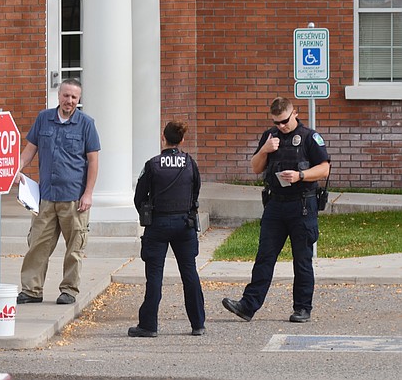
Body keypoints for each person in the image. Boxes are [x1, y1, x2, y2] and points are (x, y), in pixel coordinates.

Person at [222, 96, 330, 323]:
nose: (280, 126)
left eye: (284, 121)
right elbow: (255, 168)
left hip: (302, 204)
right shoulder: (270, 137)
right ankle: (248, 306)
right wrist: (264, 150)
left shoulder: (311, 138)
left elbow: (324, 169)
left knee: (302, 259)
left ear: (295, 113)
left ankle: (302, 308)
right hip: (275, 205)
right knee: (264, 256)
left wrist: (300, 175)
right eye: (276, 122)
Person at [15, 78, 100, 305]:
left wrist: (88, 193)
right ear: (59, 95)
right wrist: (15, 170)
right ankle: (31, 290)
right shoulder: (44, 119)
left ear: (78, 99)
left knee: (74, 248)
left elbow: (93, 161)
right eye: (65, 95)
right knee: (37, 244)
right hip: (46, 197)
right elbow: (29, 151)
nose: (69, 101)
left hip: (74, 198)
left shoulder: (86, 124)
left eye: (73, 97)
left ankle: (69, 290)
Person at [127, 120, 206, 337]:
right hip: (184, 224)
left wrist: (149, 215)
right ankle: (198, 323)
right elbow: (196, 192)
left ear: (163, 138)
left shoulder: (152, 164)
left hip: (158, 224)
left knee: (154, 276)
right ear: (182, 140)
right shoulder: (190, 163)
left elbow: (139, 197)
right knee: (189, 273)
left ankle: (149, 325)